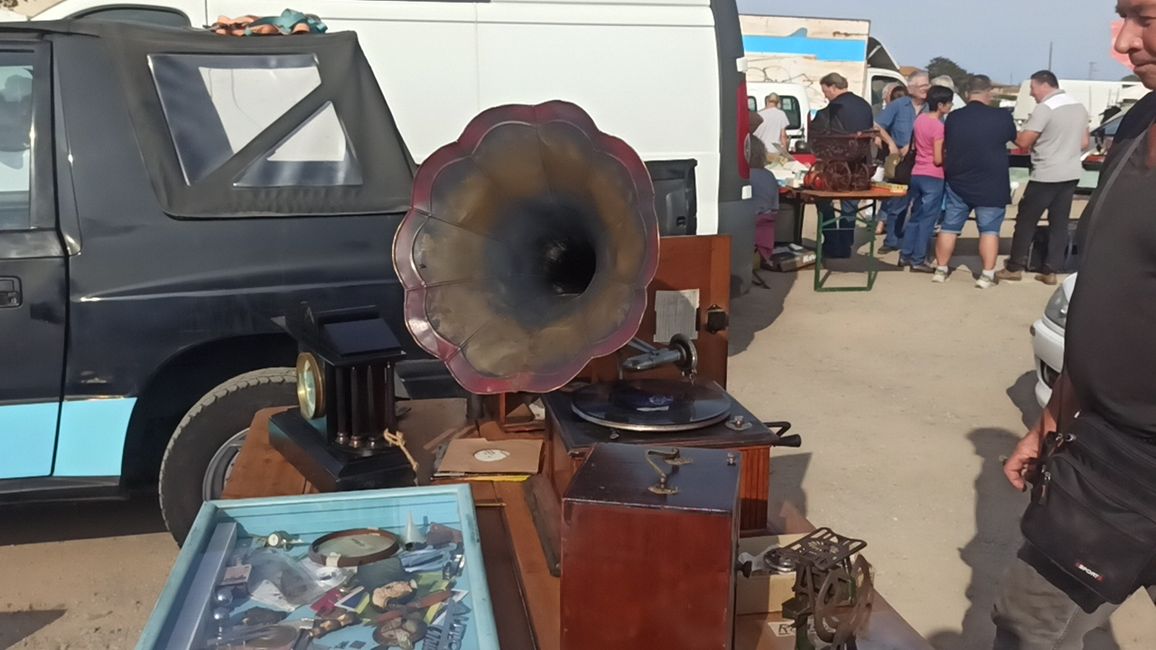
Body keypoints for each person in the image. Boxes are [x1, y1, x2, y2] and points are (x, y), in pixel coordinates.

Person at [994, 3, 1156, 646]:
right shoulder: (1142, 121)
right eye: (1121, 18)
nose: (1123, 41)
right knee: (1026, 623)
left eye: (1144, 16)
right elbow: (1114, 290)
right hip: (1107, 455)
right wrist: (1056, 413)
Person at [996, 70, 1089, 286]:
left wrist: (1012, 132)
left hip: (1046, 172)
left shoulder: (1045, 108)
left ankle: (1015, 266)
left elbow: (1024, 141)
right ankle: (1051, 269)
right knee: (1059, 222)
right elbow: (1084, 142)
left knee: (1026, 220)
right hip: (1071, 172)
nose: (1032, 94)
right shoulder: (1078, 106)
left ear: (1044, 85)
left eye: (1033, 89)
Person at [932, 75, 1017, 288]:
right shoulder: (1002, 117)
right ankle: (986, 275)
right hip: (992, 182)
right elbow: (1013, 139)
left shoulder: (954, 118)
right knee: (989, 230)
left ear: (968, 93)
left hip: (959, 180)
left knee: (949, 227)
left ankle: (941, 269)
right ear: (988, 92)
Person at [812, 72, 879, 259]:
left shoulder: (833, 108)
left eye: (825, 91)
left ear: (833, 87)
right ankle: (846, 244)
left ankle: (833, 242)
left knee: (823, 200)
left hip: (837, 166)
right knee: (850, 206)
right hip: (860, 167)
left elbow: (819, 134)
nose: (825, 95)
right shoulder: (864, 105)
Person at [898, 85, 954, 272]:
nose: (951, 106)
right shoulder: (939, 127)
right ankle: (919, 259)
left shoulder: (920, 120)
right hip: (933, 175)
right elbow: (938, 159)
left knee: (915, 215)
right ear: (940, 105)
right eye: (948, 103)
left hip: (917, 172)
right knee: (928, 220)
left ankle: (905, 254)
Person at [876, 71, 931, 253]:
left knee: (921, 205)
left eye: (927, 85)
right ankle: (891, 240)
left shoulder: (931, 107)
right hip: (901, 163)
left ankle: (912, 242)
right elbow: (877, 125)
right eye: (923, 86)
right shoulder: (898, 105)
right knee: (896, 204)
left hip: (923, 161)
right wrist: (891, 143)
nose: (926, 89)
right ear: (911, 88)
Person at [748, 137, 780, 263]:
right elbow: (775, 206)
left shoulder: (745, 175)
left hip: (750, 221)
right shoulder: (769, 175)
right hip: (767, 221)